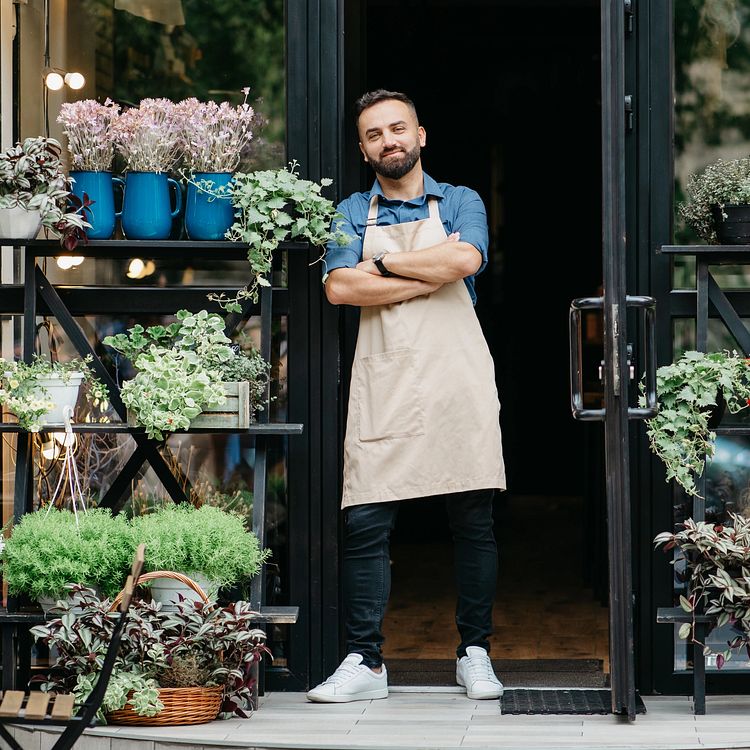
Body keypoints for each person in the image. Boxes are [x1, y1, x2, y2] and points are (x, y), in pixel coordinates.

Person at [307, 89, 506, 704]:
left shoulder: (463, 201)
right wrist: (426, 268)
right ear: (364, 149)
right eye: (374, 134)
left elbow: (466, 258)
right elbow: (340, 288)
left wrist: (385, 267)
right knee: (366, 517)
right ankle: (365, 662)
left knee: (472, 518)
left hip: (455, 378)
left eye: (398, 128)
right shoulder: (347, 210)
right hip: (386, 379)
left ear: (421, 136)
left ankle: (475, 653)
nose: (388, 140)